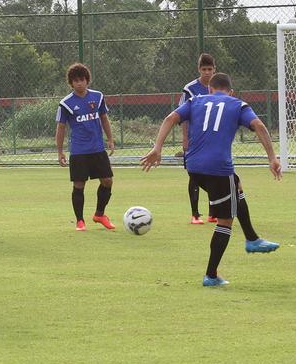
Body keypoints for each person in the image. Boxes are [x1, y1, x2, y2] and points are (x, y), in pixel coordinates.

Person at [140, 72, 282, 286]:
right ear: (230, 91)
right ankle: (211, 275)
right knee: (225, 220)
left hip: (194, 167)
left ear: (209, 89)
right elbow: (260, 126)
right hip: (217, 167)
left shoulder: (196, 100)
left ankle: (252, 238)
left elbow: (171, 118)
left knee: (236, 185)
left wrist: (157, 148)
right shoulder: (237, 104)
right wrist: (272, 157)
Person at [55, 62, 117, 231]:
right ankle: (80, 221)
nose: (79, 83)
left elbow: (104, 118)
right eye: (75, 81)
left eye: (82, 80)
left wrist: (110, 139)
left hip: (97, 149)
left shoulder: (97, 97)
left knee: (107, 181)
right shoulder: (66, 103)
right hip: (79, 151)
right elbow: (61, 128)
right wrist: (60, 152)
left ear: (87, 80)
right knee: (79, 185)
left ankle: (99, 214)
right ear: (71, 83)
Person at [181, 53, 217, 224]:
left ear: (214, 69)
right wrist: (185, 139)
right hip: (195, 139)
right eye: (204, 69)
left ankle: (213, 213)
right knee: (194, 175)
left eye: (210, 69)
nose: (207, 73)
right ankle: (195, 214)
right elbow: (183, 115)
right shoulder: (190, 89)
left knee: (214, 174)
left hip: (213, 138)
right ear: (199, 70)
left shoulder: (219, 86)